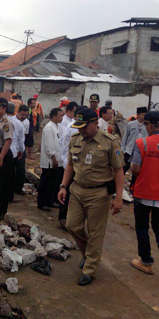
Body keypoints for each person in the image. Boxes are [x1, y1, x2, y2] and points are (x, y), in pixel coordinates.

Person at [58, 108, 124, 286]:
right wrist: (63, 186)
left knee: (95, 233)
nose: (80, 131)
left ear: (95, 123)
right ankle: (89, 255)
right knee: (72, 225)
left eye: (84, 127)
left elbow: (118, 170)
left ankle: (90, 269)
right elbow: (70, 165)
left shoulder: (110, 142)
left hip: (99, 193)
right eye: (78, 127)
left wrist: (118, 197)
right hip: (77, 190)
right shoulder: (76, 139)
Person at [130, 111, 159, 274]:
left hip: (144, 193)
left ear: (150, 125)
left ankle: (146, 262)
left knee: (142, 227)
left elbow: (135, 168)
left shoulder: (142, 143)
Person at [57, 105, 86, 230]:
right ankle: (63, 218)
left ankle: (66, 217)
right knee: (68, 192)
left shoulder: (71, 126)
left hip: (69, 162)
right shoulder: (75, 129)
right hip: (71, 164)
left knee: (69, 191)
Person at [37, 108, 64, 212]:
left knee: (52, 182)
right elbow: (49, 146)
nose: (62, 118)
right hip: (49, 160)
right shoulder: (49, 128)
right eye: (60, 116)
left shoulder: (56, 126)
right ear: (53, 116)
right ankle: (42, 202)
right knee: (45, 182)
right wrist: (54, 158)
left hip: (55, 159)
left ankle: (49, 200)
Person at [121, 106, 148, 175]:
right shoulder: (131, 124)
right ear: (138, 115)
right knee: (124, 167)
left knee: (138, 170)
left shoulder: (147, 125)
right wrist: (123, 149)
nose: (144, 117)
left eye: (145, 115)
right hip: (129, 150)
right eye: (143, 115)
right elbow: (125, 137)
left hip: (140, 151)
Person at [8, 102, 25, 198]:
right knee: (11, 173)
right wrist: (21, 151)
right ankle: (10, 194)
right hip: (14, 151)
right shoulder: (18, 123)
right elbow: (21, 141)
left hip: (1, 151)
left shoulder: (1, 120)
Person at [14, 105, 30, 194]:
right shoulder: (12, 120)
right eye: (22, 115)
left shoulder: (26, 122)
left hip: (21, 149)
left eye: (26, 115)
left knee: (21, 170)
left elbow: (24, 136)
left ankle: (18, 188)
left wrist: (23, 149)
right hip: (12, 149)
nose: (24, 117)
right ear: (18, 112)